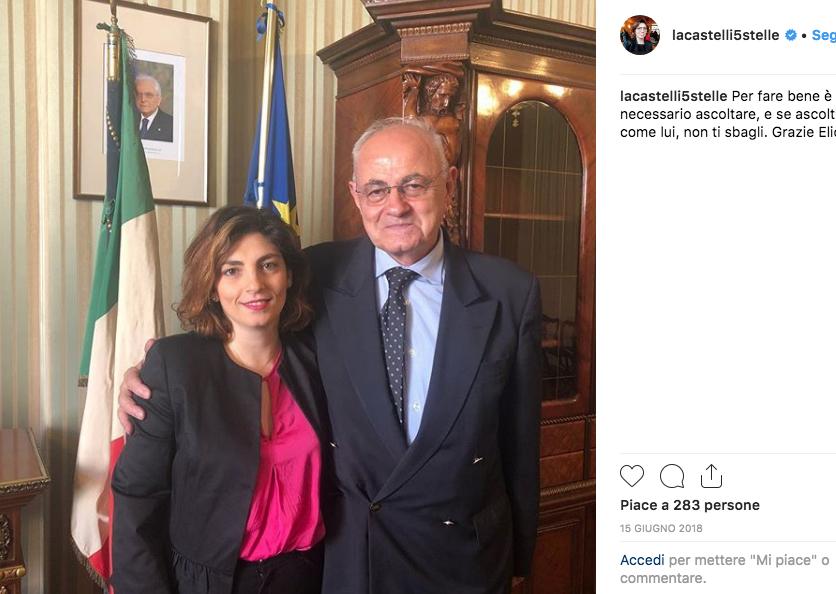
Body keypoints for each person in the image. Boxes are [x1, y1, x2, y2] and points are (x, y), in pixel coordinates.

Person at [121, 118, 542, 594]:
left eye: (414, 184)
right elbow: (242, 323)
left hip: (464, 560)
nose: (396, 205)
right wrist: (150, 379)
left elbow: (520, 441)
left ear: (449, 185)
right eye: (377, 189)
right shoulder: (317, 273)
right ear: (356, 195)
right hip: (349, 560)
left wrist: (521, 556)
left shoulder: (511, 292)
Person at [111, 206, 328, 594]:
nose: (254, 284)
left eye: (268, 265)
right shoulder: (175, 365)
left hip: (308, 576)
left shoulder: (319, 362)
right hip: (208, 582)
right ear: (212, 285)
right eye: (232, 270)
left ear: (289, 275)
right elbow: (138, 497)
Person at [135, 74, 174, 142]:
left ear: (159, 99)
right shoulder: (128, 120)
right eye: (139, 94)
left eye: (149, 95)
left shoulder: (171, 125)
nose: (143, 99)